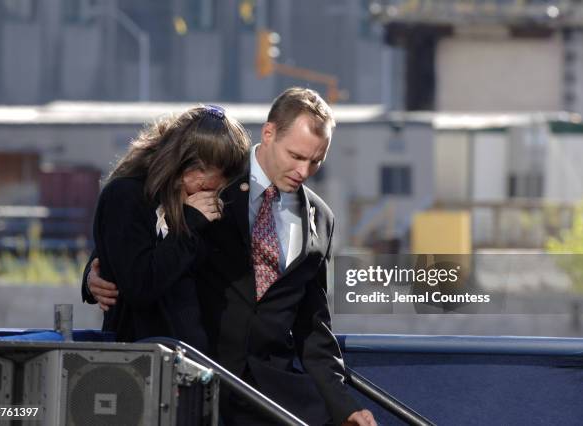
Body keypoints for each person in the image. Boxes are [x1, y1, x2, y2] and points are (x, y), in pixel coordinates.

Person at [84, 89, 376, 426]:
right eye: (295, 155)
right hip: (198, 382)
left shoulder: (320, 218)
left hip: (272, 396)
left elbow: (313, 323)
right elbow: (137, 237)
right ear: (269, 134)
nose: (303, 170)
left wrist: (343, 405)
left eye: (315, 161)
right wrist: (93, 277)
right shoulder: (212, 176)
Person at [85, 105, 250, 351]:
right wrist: (188, 223)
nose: (213, 194)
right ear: (190, 168)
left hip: (202, 359)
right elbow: (140, 284)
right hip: (142, 359)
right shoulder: (128, 196)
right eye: (208, 186)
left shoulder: (215, 204)